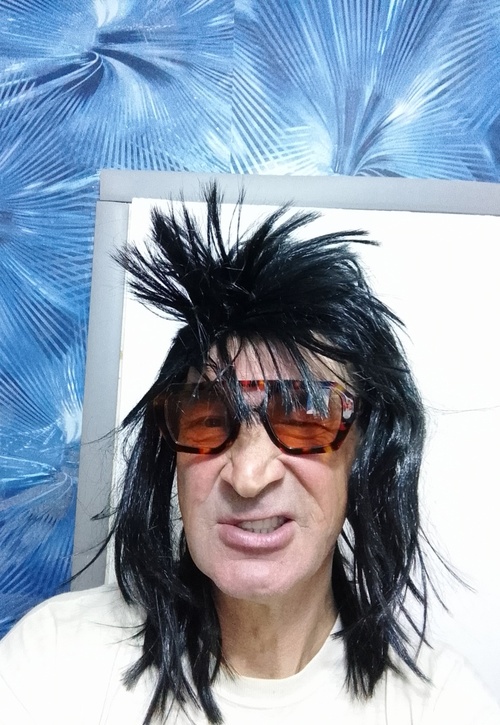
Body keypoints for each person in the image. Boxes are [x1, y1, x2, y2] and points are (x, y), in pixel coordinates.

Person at [0, 185, 498, 725]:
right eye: (208, 416)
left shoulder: (441, 705)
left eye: (305, 415)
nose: (249, 475)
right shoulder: (54, 665)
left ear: (363, 450)